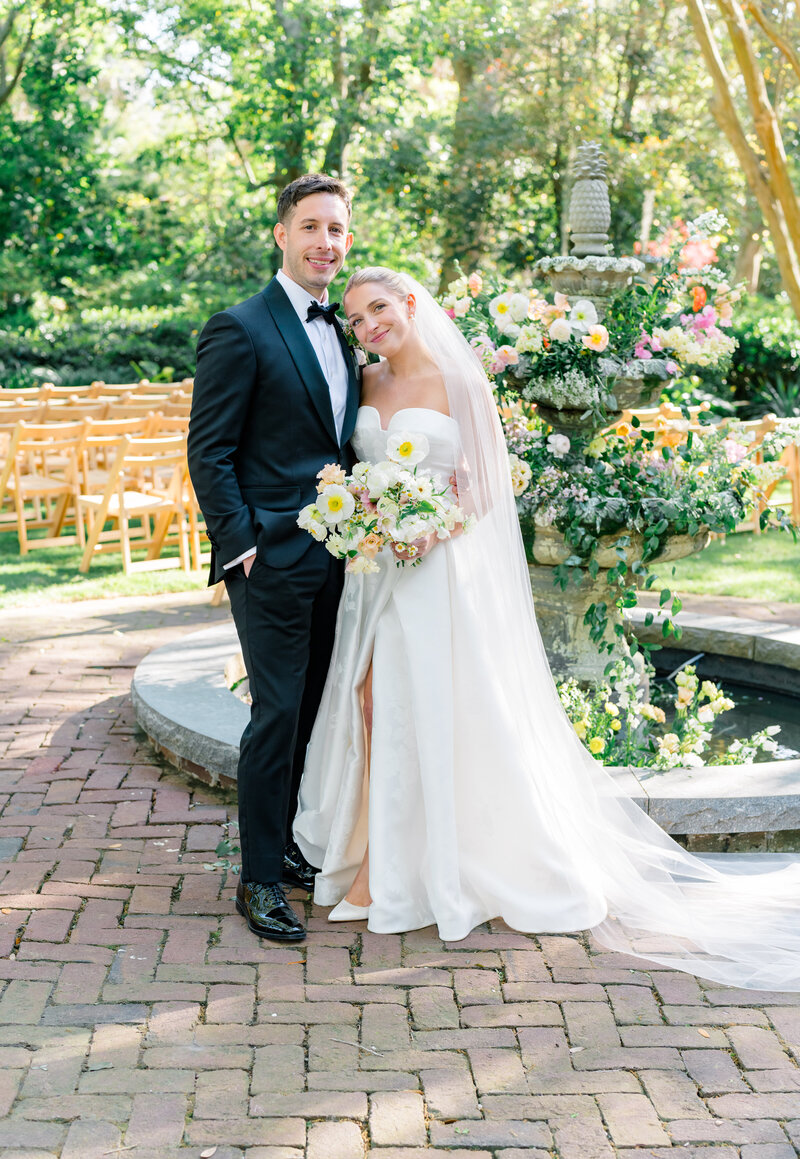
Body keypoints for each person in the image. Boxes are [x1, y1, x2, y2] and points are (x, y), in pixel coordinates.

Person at [293, 266, 800, 991]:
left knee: (410, 704)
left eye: (379, 309)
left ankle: (396, 870)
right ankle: (381, 856)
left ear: (409, 305)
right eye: (357, 319)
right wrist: (370, 520)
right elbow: (358, 470)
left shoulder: (460, 383)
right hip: (377, 576)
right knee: (369, 703)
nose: (369, 326)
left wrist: (429, 528)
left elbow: (489, 486)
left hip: (436, 571)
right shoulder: (365, 385)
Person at [188, 174, 360, 942]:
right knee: (276, 712)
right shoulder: (240, 327)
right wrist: (244, 547)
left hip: (342, 556)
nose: (328, 243)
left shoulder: (348, 330)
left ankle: (286, 844)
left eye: (339, 230)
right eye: (314, 227)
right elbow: (210, 450)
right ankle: (257, 879)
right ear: (283, 235)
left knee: (313, 710)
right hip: (271, 558)